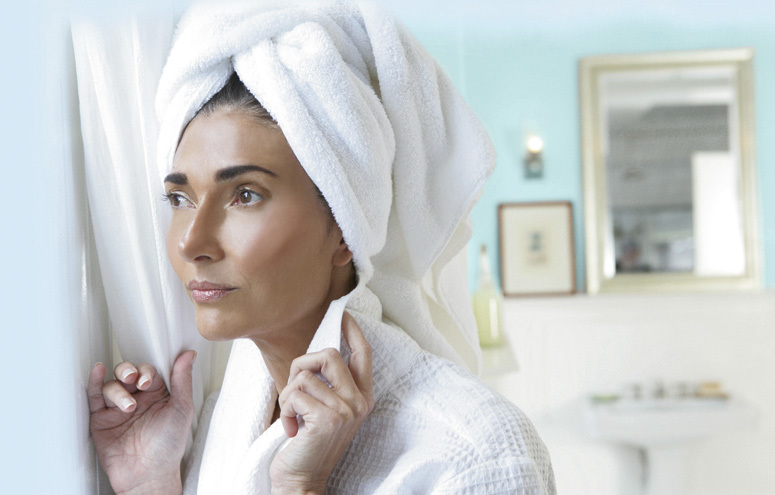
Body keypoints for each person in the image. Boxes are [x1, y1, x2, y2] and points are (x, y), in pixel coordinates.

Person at [87, 1, 555, 493]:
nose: (191, 241)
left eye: (245, 195)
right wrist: (150, 482)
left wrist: (304, 487)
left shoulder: (477, 455)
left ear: (344, 227)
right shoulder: (226, 419)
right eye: (180, 198)